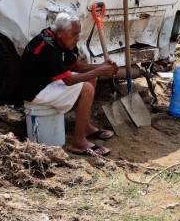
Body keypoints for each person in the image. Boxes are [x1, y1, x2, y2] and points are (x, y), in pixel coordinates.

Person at [19, 13, 120, 156]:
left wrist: (101, 66)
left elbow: (75, 66)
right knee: (87, 89)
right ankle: (79, 142)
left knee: (92, 79)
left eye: (78, 34)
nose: (77, 38)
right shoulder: (47, 44)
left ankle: (86, 127)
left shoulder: (61, 40)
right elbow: (69, 80)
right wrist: (101, 70)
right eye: (74, 34)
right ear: (60, 32)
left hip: (47, 82)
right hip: (34, 90)